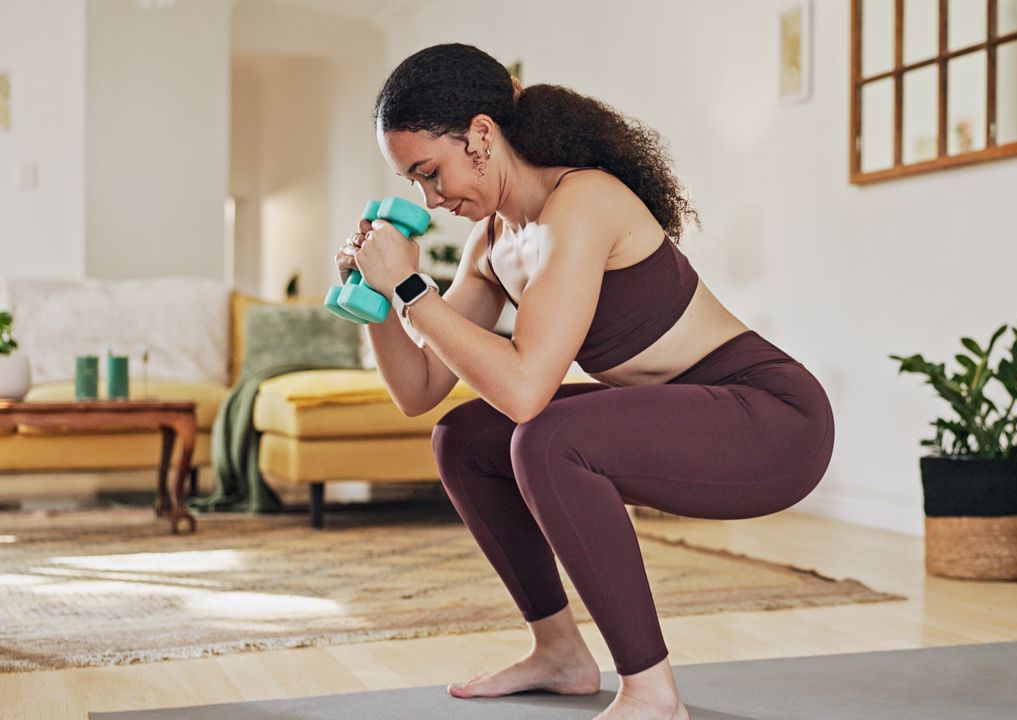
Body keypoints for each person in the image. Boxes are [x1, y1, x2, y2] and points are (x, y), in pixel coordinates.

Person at [338, 43, 835, 720]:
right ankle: (560, 654)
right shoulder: (493, 243)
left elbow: (523, 391)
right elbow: (419, 391)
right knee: (465, 437)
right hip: (687, 414)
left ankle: (652, 692)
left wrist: (411, 288)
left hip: (773, 423)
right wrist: (377, 298)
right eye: (414, 185)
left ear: (481, 136)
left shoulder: (584, 201)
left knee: (544, 436)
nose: (431, 198)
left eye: (431, 173)